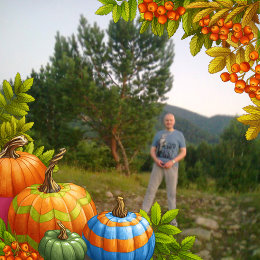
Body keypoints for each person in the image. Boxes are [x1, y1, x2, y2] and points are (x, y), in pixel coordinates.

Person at [142, 113, 186, 226]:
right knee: (151, 190)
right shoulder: (159, 134)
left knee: (171, 193)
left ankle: (172, 220)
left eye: (171, 120)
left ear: (174, 121)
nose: (169, 122)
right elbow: (152, 150)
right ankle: (143, 216)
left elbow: (183, 152)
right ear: (164, 121)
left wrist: (173, 161)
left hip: (172, 167)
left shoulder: (179, 135)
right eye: (167, 120)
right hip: (158, 165)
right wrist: (156, 160)